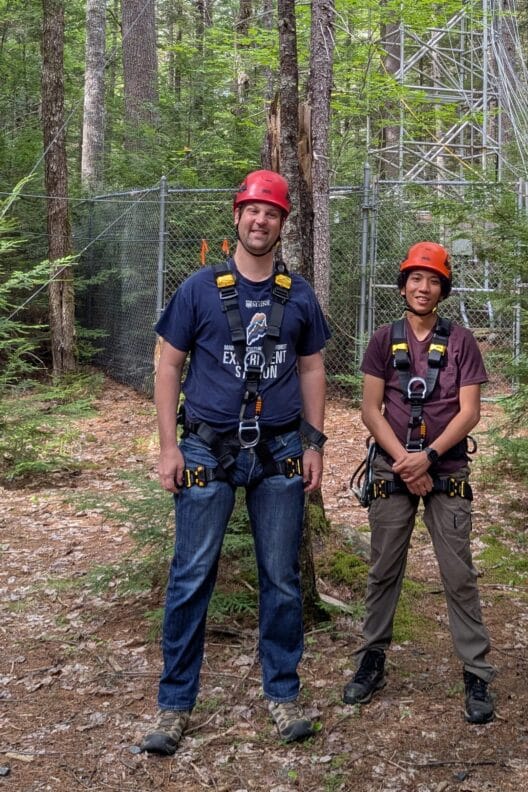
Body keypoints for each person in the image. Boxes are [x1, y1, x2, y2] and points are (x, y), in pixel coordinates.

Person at [141, 170, 331, 754]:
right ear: (236, 216)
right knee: (192, 574)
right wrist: (169, 445)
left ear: (282, 224)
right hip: (205, 446)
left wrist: (315, 443)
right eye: (252, 211)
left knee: (281, 577)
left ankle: (282, 695)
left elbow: (311, 369)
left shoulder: (297, 294)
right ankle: (174, 706)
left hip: (277, 450)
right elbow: (168, 364)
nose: (260, 221)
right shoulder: (200, 288)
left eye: (271, 213)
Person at [343, 241, 496, 724]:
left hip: (445, 468)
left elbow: (469, 412)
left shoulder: (461, 342)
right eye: (415, 278)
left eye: (431, 280)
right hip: (393, 467)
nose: (422, 287)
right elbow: (370, 409)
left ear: (443, 287)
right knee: (383, 567)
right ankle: (372, 659)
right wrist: (404, 462)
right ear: (403, 284)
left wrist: (427, 457)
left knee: (458, 575)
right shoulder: (383, 339)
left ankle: (476, 672)